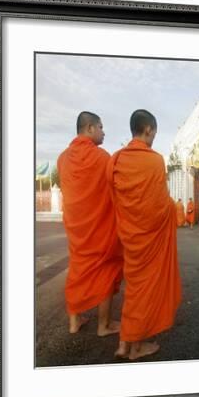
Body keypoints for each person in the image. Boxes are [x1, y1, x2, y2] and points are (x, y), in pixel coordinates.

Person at [107, 109, 182, 360]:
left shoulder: (116, 159)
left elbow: (113, 199)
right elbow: (159, 205)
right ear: (148, 129)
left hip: (129, 236)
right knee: (144, 292)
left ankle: (123, 343)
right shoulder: (155, 160)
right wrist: (173, 209)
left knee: (134, 289)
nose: (153, 139)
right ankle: (136, 347)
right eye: (154, 134)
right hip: (150, 238)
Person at [57, 111, 123, 336]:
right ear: (90, 128)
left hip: (77, 230)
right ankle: (104, 325)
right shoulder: (102, 157)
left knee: (77, 270)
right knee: (107, 270)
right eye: (101, 127)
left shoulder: (62, 158)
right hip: (101, 229)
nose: (104, 132)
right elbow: (116, 189)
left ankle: (74, 322)